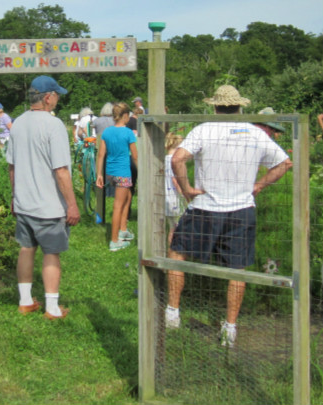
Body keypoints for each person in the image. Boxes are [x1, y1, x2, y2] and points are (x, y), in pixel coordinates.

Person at [165, 85, 293, 347]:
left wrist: (187, 188)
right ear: (240, 107)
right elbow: (285, 163)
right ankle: (230, 327)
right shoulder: (255, 133)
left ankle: (172, 312)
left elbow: (178, 158)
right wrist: (259, 185)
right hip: (241, 209)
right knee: (237, 269)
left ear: (214, 106)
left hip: (204, 207)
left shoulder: (204, 129)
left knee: (177, 253)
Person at [6, 75, 80, 320]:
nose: (58, 99)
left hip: (24, 202)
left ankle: (25, 301)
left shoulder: (17, 123)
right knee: (51, 253)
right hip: (48, 206)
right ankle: (52, 307)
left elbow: (12, 166)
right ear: (48, 98)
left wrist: (15, 196)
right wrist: (71, 204)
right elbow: (60, 170)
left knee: (26, 249)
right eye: (57, 95)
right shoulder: (53, 125)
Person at [95, 102, 138, 252]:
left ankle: (123, 230)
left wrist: (99, 174)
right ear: (125, 116)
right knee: (118, 205)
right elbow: (135, 156)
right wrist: (142, 173)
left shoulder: (107, 132)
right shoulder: (128, 133)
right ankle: (114, 241)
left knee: (128, 197)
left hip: (110, 173)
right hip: (123, 174)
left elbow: (101, 155)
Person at [164, 132, 185, 245]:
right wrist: (184, 193)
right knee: (177, 227)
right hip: (174, 198)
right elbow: (175, 180)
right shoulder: (175, 161)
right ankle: (175, 248)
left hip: (165, 197)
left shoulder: (164, 160)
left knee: (171, 226)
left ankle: (170, 247)